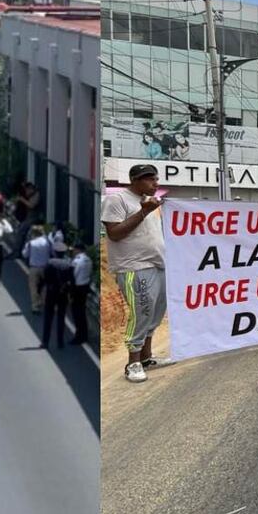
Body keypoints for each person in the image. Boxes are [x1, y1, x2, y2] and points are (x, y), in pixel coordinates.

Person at [101, 164, 169, 383]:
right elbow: (114, 234)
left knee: (155, 312)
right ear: (135, 180)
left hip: (157, 264)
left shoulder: (152, 203)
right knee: (142, 311)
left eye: (156, 179)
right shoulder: (118, 200)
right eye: (150, 180)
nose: (155, 184)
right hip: (134, 267)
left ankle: (147, 357)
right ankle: (133, 363)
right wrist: (143, 212)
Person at [41, 245, 74, 349]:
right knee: (61, 317)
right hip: (63, 293)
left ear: (55, 252)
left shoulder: (50, 263)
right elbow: (72, 280)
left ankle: (45, 342)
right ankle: (60, 342)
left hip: (51, 292)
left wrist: (41, 289)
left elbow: (44, 278)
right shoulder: (68, 264)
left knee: (48, 317)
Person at [22, 226, 52, 314]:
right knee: (45, 286)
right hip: (45, 267)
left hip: (34, 267)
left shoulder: (31, 243)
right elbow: (52, 253)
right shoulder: (47, 242)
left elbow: (25, 254)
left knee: (33, 287)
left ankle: (35, 306)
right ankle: (44, 302)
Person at [70, 243, 92, 345]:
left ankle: (79, 336)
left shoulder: (77, 261)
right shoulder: (88, 260)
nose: (73, 252)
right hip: (85, 287)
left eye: (74, 250)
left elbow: (73, 275)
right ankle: (84, 335)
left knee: (77, 313)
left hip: (77, 288)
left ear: (78, 250)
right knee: (82, 312)